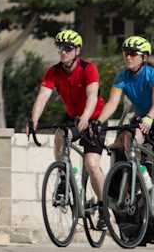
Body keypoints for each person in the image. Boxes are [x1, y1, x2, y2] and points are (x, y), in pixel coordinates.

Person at [96, 34, 154, 233]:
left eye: (133, 54)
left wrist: (149, 117)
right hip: (142, 120)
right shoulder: (121, 77)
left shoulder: (153, 75)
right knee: (128, 137)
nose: (128, 57)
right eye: (126, 53)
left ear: (143, 57)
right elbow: (113, 103)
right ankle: (139, 174)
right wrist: (97, 122)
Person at [27, 29, 106, 200]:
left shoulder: (88, 68)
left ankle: (102, 205)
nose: (63, 52)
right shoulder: (54, 71)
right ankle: (64, 176)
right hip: (74, 117)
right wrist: (33, 120)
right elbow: (42, 97)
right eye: (61, 48)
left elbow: (92, 95)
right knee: (60, 136)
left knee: (92, 164)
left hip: (94, 118)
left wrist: (86, 117)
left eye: (68, 49)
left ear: (77, 51)